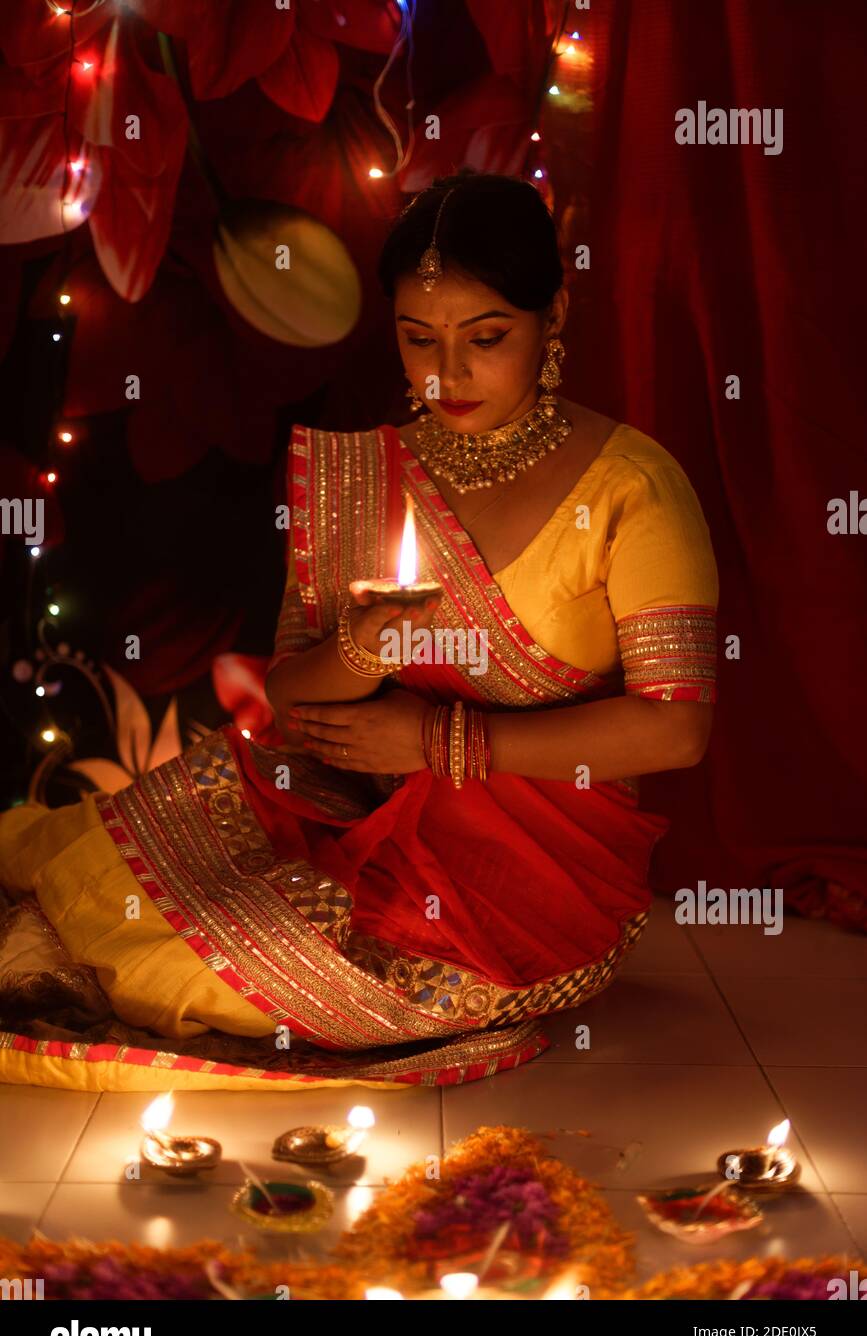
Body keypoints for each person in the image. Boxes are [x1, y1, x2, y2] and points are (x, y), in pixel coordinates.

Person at [0, 172, 717, 1092]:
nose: (445, 375)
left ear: (554, 314)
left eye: (485, 339)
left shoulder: (632, 487)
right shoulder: (366, 470)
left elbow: (676, 726)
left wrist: (433, 739)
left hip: (528, 873)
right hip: (346, 804)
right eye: (418, 339)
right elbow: (294, 698)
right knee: (89, 873)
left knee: (174, 971)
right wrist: (360, 651)